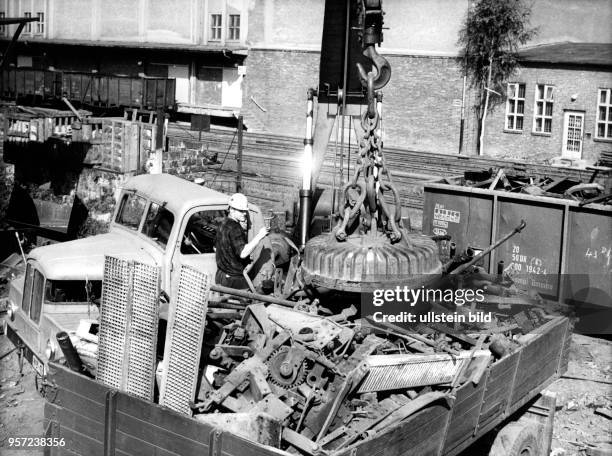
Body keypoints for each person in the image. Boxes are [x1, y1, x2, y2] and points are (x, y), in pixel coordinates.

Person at [215, 193, 269, 289]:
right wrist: (260, 236)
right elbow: (243, 253)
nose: (244, 213)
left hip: (221, 276)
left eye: (244, 211)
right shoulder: (235, 227)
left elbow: (215, 248)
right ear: (231, 210)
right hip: (234, 280)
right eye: (241, 211)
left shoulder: (222, 224)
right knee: (247, 302)